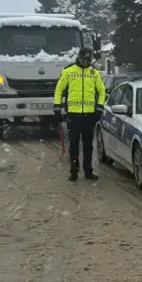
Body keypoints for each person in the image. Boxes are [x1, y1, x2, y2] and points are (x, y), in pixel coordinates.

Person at [54, 47, 106, 182]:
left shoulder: (94, 73)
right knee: (74, 144)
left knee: (88, 145)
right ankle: (74, 171)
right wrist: (57, 108)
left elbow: (101, 91)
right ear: (79, 57)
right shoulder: (68, 71)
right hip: (73, 115)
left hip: (89, 115)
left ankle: (88, 170)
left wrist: (99, 107)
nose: (86, 62)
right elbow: (59, 90)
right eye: (84, 59)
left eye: (88, 60)